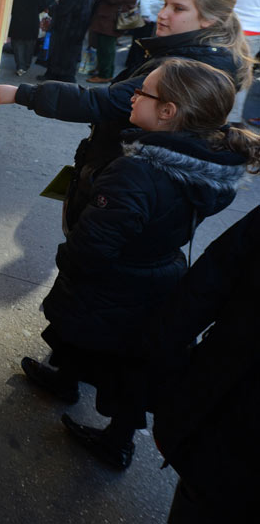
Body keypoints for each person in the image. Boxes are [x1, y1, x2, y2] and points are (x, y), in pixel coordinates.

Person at [0, 58, 258, 470]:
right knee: (122, 353)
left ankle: (117, 440)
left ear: (168, 112)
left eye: (143, 91)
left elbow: (92, 248)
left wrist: (69, 260)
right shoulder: (210, 163)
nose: (132, 95)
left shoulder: (136, 172)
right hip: (158, 273)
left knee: (120, 363)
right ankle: (66, 378)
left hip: (114, 282)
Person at [0, 0, 252, 255]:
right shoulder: (195, 54)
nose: (163, 14)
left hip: (124, 176)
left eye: (179, 9)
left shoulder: (185, 64)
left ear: (210, 19)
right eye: (165, 4)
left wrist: (23, 94)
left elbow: (108, 102)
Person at [151, 203, 260, 520]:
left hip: (230, 416)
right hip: (229, 418)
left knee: (202, 498)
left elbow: (207, 286)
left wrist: (163, 362)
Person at [39, 0, 97, 82]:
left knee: (61, 52)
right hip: (76, 27)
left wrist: (53, 8)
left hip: (67, 27)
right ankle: (59, 74)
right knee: (67, 52)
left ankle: (59, 75)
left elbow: (65, 8)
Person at [87, 0, 144, 82]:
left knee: (107, 48)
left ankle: (105, 74)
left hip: (112, 20)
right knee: (103, 46)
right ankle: (102, 69)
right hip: (107, 18)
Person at [223, 0, 260, 127]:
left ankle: (227, 116)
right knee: (243, 73)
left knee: (231, 71)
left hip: (236, 28)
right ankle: (233, 118)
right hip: (252, 30)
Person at [125, 0, 178, 70]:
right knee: (141, 43)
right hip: (149, 18)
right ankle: (134, 65)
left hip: (155, 17)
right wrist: (146, 14)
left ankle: (137, 65)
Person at [8, 0, 47, 76]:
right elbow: (42, 4)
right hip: (31, 21)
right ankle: (26, 65)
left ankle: (20, 66)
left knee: (18, 43)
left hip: (17, 21)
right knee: (29, 45)